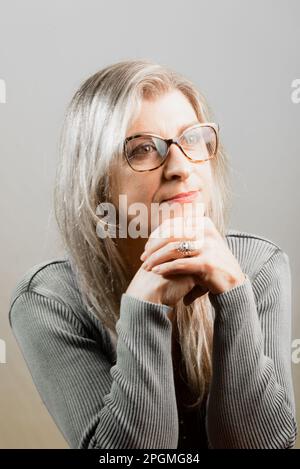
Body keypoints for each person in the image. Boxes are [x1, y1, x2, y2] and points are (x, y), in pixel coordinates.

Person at [8, 59, 297, 449]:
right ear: (97, 182)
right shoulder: (49, 300)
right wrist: (145, 308)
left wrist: (233, 294)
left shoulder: (258, 267)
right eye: (143, 149)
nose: (180, 167)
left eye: (192, 138)